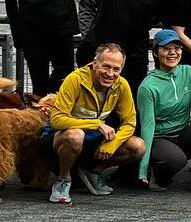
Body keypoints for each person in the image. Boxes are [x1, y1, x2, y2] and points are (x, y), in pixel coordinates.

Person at [45, 42, 145, 205]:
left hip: (93, 140)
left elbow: (130, 123)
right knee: (75, 135)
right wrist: (96, 124)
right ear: (94, 63)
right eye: (106, 67)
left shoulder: (122, 85)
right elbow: (56, 120)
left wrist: (112, 145)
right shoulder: (75, 79)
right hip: (61, 140)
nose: (110, 73)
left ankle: (93, 171)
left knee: (137, 146)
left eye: (116, 69)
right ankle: (63, 179)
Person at [135, 29, 191, 193]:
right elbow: (148, 127)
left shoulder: (188, 72)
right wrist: (142, 168)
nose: (172, 52)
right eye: (166, 48)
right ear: (156, 53)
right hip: (160, 138)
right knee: (176, 160)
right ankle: (157, 175)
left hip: (182, 133)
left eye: (177, 48)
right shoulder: (148, 86)